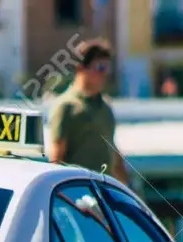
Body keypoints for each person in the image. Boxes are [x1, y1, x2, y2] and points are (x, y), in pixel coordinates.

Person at [47, 39, 130, 187]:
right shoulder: (65, 106)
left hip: (104, 192)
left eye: (107, 68)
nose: (105, 73)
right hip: (77, 195)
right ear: (81, 68)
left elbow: (113, 154)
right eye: (99, 67)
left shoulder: (105, 107)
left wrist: (129, 190)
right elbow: (56, 158)